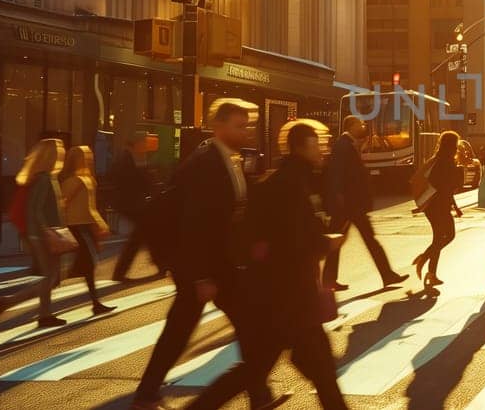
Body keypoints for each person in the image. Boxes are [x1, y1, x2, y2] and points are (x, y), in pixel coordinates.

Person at [132, 100, 282, 410]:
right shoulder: (206, 162)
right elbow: (196, 223)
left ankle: (258, 394)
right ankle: (256, 393)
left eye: (247, 125)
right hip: (202, 266)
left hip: (220, 263)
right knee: (204, 328)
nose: (246, 132)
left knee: (218, 326)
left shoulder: (230, 160)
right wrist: (200, 275)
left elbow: (235, 212)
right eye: (239, 126)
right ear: (219, 126)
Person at [189, 120, 347, 410]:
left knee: (256, 369)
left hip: (277, 296)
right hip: (290, 297)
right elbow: (296, 241)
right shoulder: (292, 185)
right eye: (318, 144)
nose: (323, 150)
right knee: (314, 371)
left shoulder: (284, 180)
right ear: (302, 147)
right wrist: (328, 243)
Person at [0, 138, 69, 328]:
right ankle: (9, 302)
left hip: (46, 233)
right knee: (52, 277)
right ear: (51, 156)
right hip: (43, 235)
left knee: (52, 276)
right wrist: (46, 233)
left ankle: (45, 314)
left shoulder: (49, 177)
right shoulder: (43, 178)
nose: (62, 154)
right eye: (58, 151)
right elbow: (35, 209)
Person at [322, 115, 407, 291]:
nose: (362, 126)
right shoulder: (343, 145)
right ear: (351, 126)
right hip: (349, 205)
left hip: (352, 204)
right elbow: (338, 174)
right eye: (359, 124)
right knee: (347, 241)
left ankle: (385, 275)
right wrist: (340, 199)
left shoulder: (349, 144)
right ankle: (386, 275)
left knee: (354, 240)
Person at [59, 145, 114, 315]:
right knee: (88, 265)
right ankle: (95, 303)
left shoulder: (87, 179)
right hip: (76, 226)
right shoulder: (74, 181)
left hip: (84, 226)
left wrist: (99, 224)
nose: (89, 158)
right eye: (86, 156)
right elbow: (64, 204)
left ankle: (95, 303)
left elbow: (90, 207)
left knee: (87, 265)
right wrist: (99, 224)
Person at [412, 132, 465, 287]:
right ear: (452, 145)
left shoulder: (439, 159)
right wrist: (458, 174)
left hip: (436, 205)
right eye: (456, 144)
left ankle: (428, 266)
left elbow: (444, 186)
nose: (457, 147)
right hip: (438, 206)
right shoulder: (446, 161)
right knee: (445, 236)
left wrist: (455, 206)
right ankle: (428, 268)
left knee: (444, 236)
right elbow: (446, 185)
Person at [111, 131, 164, 281]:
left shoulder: (131, 157)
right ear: (137, 143)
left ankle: (160, 264)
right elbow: (130, 180)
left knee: (143, 234)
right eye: (144, 142)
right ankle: (160, 263)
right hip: (130, 203)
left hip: (132, 203)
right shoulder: (126, 158)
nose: (146, 146)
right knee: (144, 233)